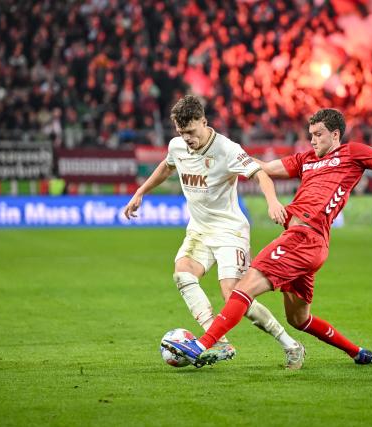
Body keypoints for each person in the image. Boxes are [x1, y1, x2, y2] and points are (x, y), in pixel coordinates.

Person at [162, 108, 372, 368]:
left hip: (304, 237)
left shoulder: (353, 153)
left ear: (336, 134)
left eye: (318, 135)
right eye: (310, 135)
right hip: (307, 243)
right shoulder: (305, 160)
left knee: (242, 288)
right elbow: (262, 167)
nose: (313, 140)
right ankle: (356, 352)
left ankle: (201, 345)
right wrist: (223, 156)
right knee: (299, 318)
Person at [124, 95, 305, 368]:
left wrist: (272, 202)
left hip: (230, 231)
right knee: (183, 273)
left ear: (204, 122)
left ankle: (290, 344)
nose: (187, 139)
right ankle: (218, 341)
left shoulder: (227, 149)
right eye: (182, 133)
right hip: (199, 229)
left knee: (233, 294)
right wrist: (140, 192)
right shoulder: (177, 146)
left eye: (192, 132)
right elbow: (167, 166)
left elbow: (260, 174)